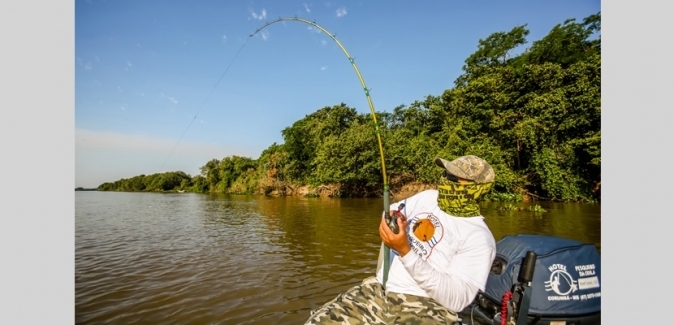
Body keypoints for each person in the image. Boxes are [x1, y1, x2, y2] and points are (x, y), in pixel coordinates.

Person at [305, 155, 497, 325]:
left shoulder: (479, 238)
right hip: (379, 291)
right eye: (445, 175)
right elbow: (390, 210)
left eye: (453, 178)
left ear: (476, 189)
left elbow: (458, 299)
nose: (445, 181)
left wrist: (405, 251)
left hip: (427, 308)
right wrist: (394, 217)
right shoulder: (428, 197)